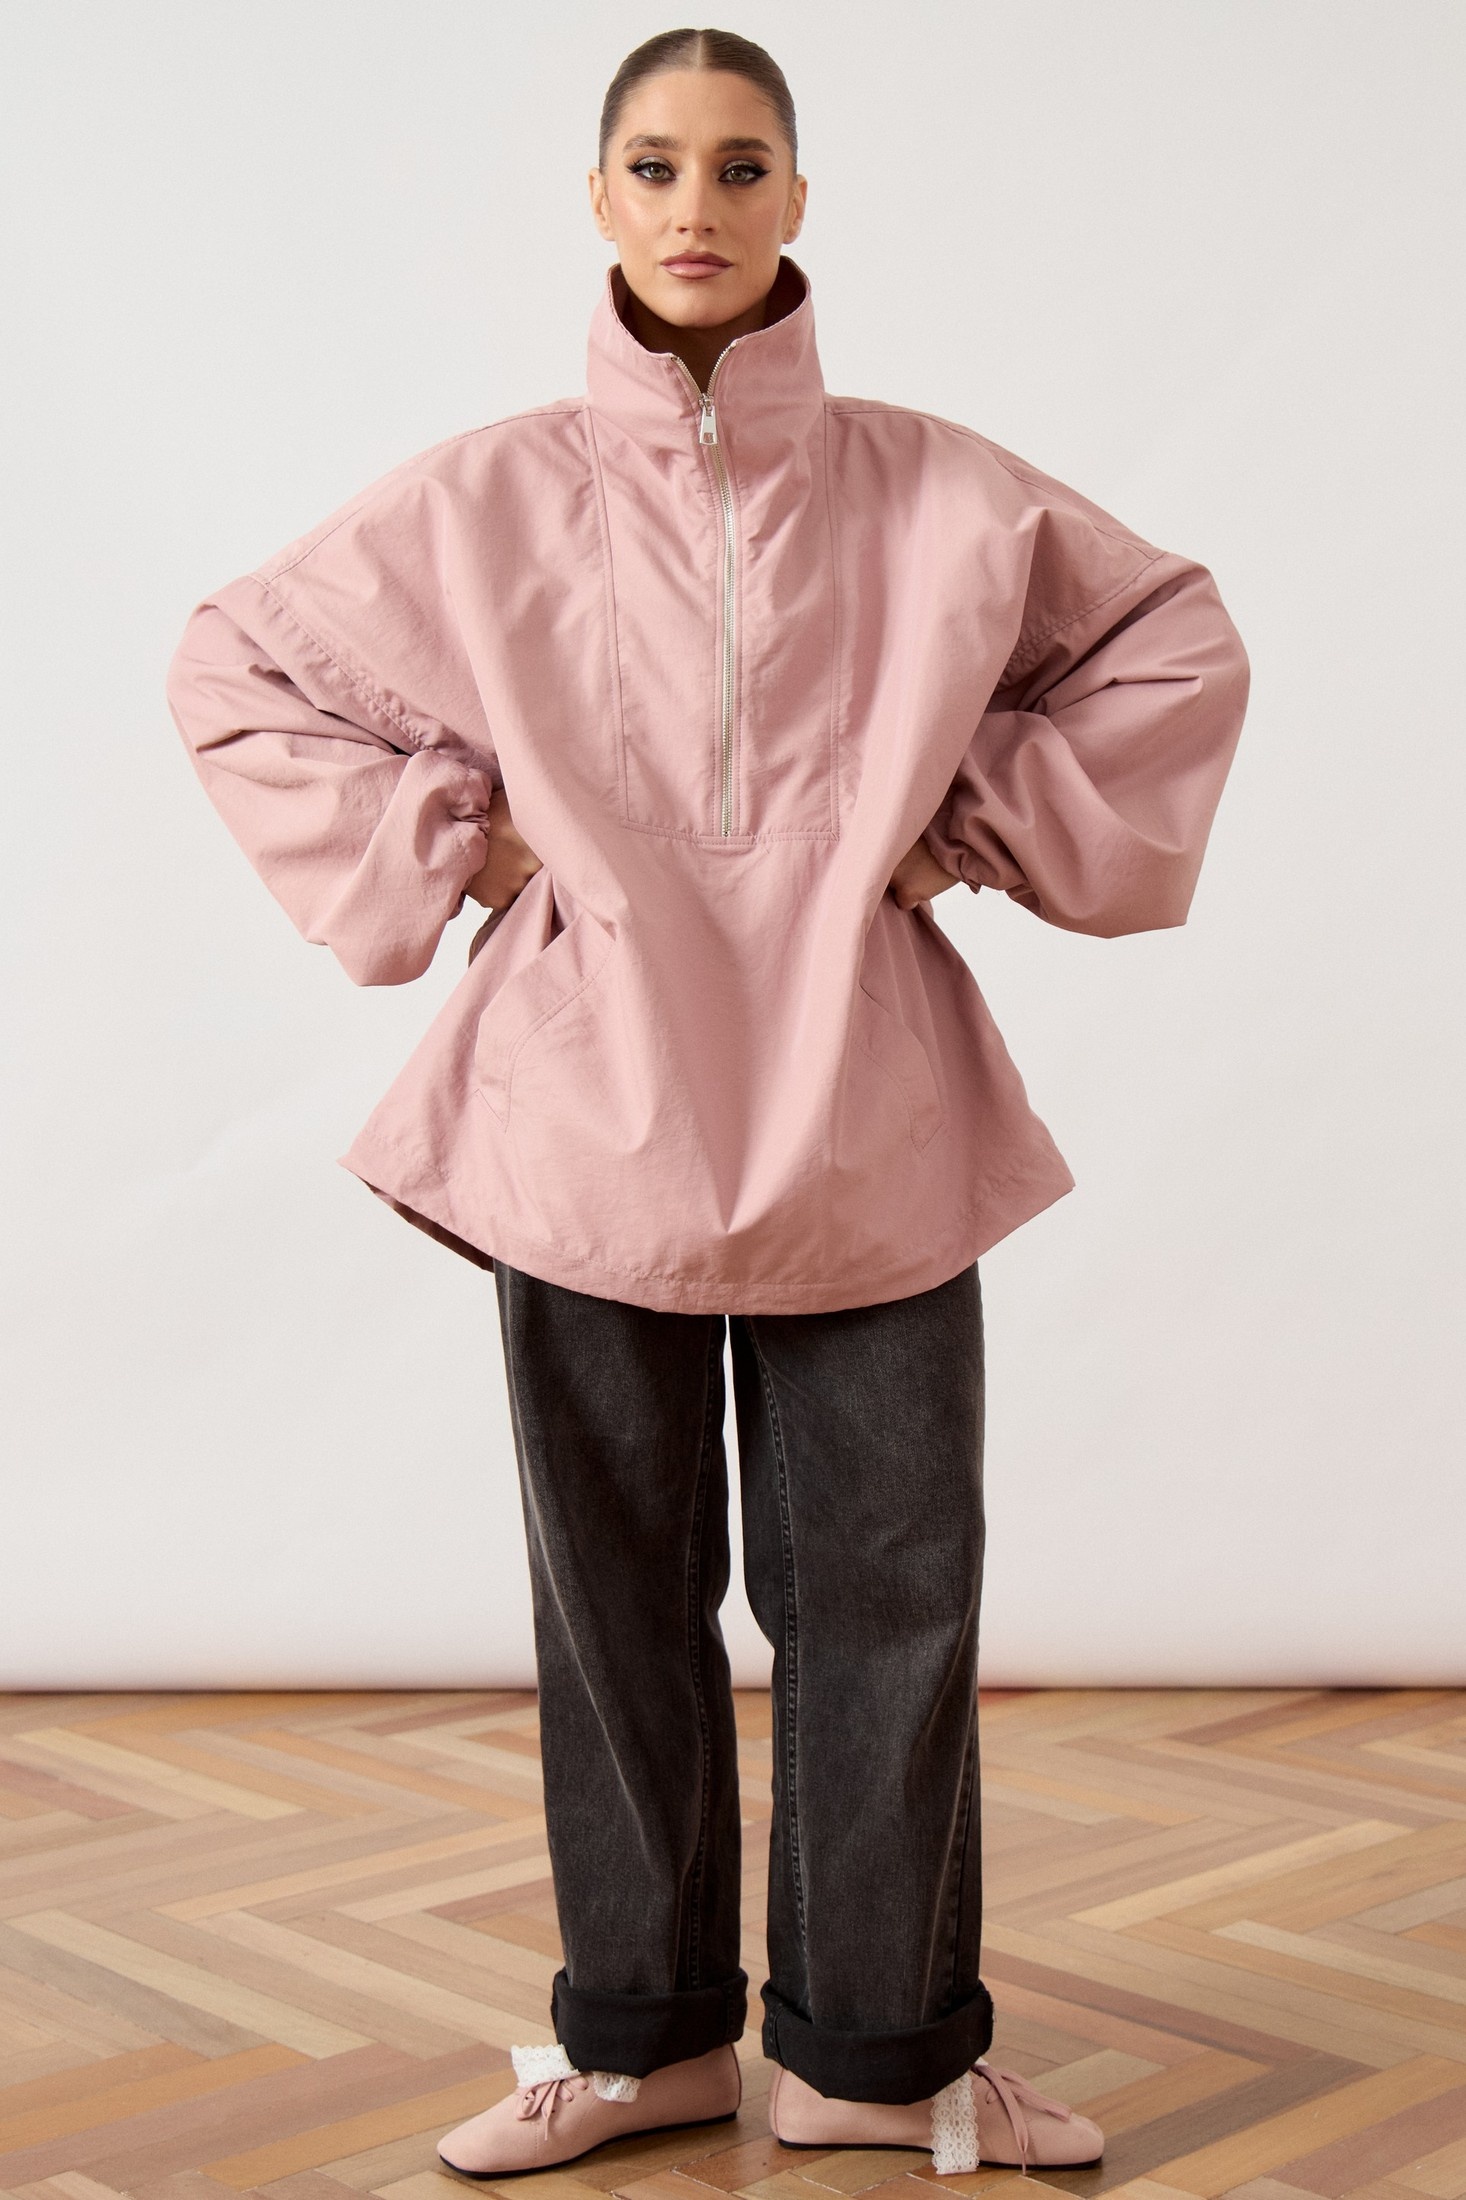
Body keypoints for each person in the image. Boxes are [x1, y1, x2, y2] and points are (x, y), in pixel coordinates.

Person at [166, 26, 1249, 2180]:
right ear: (596, 200)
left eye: (740, 164)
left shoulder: (940, 489)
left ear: (797, 201)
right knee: (616, 1597)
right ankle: (640, 2037)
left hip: (862, 1105)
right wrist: (472, 841)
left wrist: (964, 818)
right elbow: (237, 669)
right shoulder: (484, 497)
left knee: (889, 1596)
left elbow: (1174, 646)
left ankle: (875, 2053)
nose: (695, 204)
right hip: (585, 1114)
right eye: (652, 165)